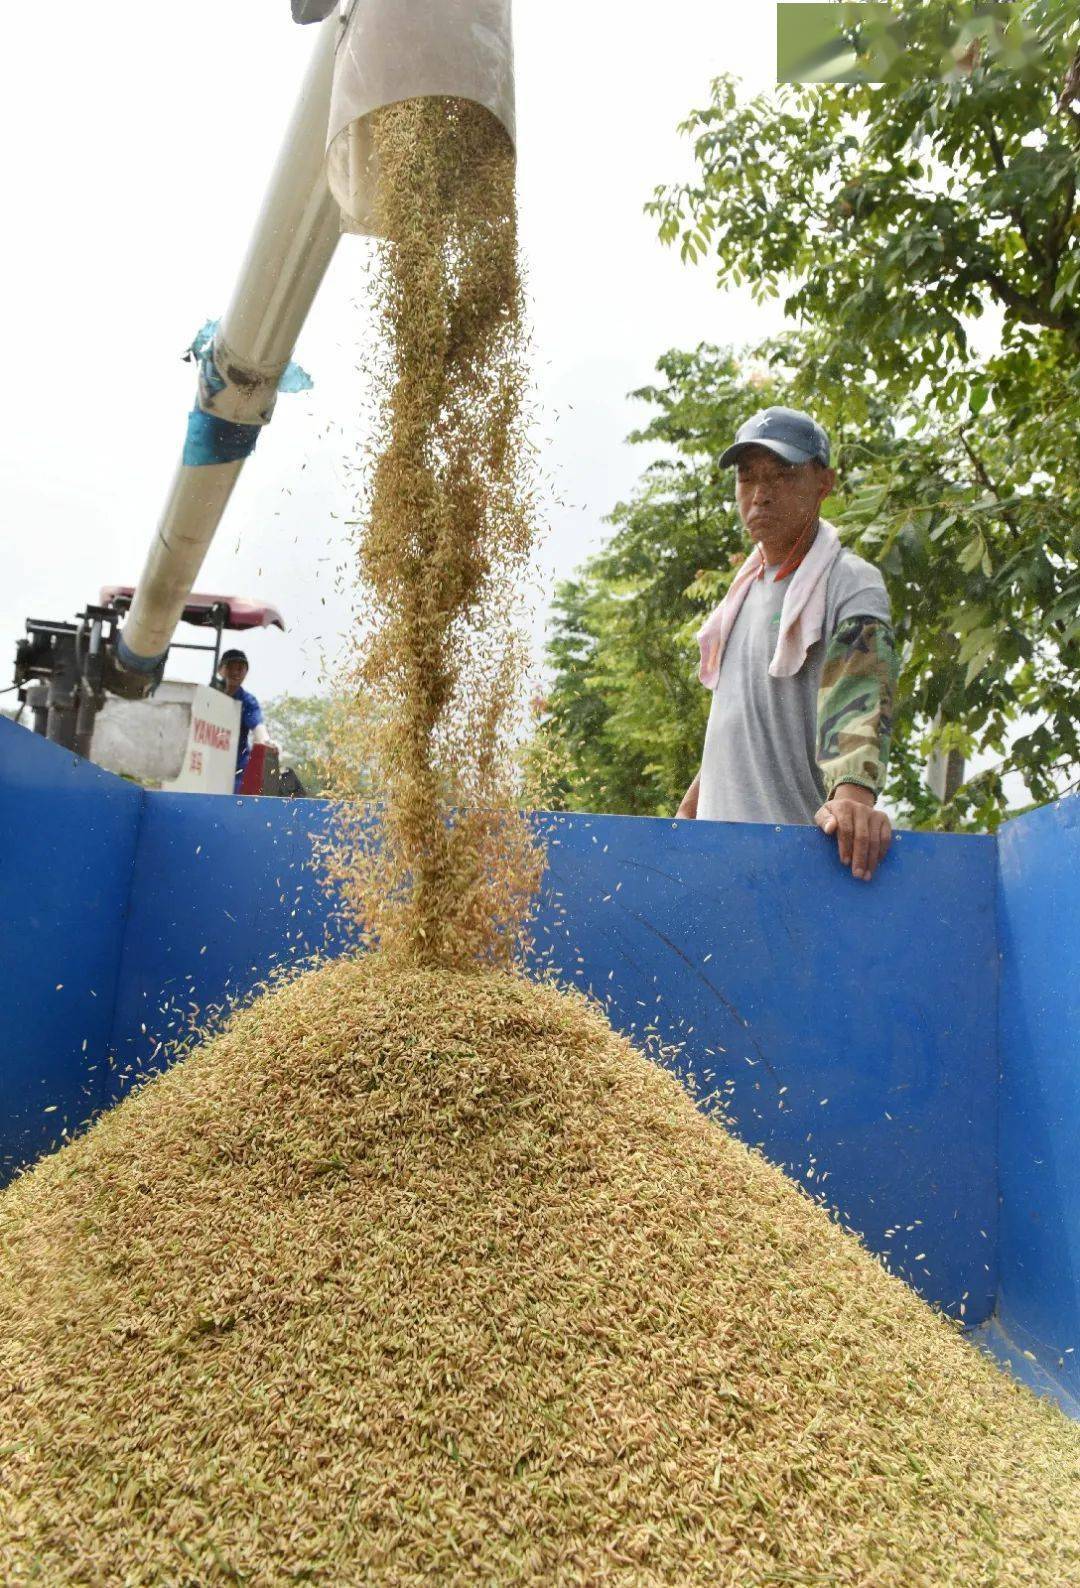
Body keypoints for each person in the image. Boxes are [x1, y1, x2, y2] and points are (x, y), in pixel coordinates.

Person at [676, 407, 899, 883]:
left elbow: (858, 692)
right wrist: (697, 796)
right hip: (714, 864)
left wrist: (854, 796)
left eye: (782, 476)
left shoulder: (847, 581)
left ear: (825, 483)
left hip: (794, 868)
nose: (760, 495)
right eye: (748, 478)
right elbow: (747, 716)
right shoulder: (742, 593)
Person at [215, 649, 274, 792]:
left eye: (240, 668)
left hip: (236, 768)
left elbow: (258, 727)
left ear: (246, 672)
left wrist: (267, 742)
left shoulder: (247, 701)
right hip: (207, 763)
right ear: (220, 670)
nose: (235, 672)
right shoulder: (208, 695)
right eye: (230, 667)